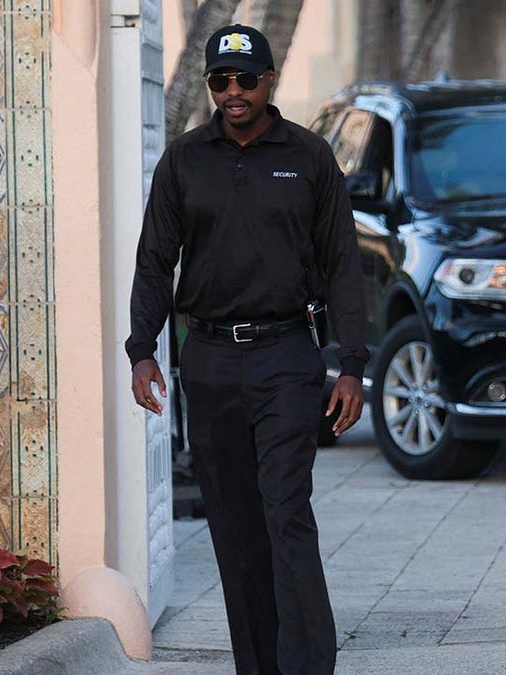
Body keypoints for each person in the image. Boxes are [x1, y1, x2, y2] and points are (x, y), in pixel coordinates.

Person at [126, 24, 367, 675]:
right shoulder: (183, 160)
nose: (232, 92)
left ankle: (309, 665)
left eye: (245, 79)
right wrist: (141, 348)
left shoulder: (310, 156)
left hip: (287, 355)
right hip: (206, 361)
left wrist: (352, 364)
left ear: (269, 81)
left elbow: (344, 263)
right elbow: (155, 260)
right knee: (234, 531)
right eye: (219, 80)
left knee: (286, 511)